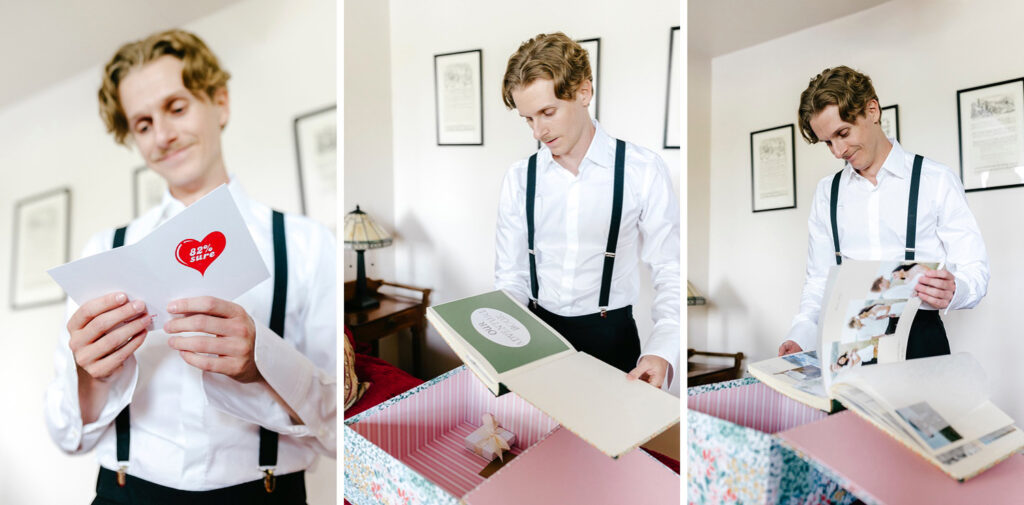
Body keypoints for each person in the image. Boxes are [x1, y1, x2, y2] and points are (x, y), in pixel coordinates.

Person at [44, 29, 335, 503]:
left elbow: (336, 430)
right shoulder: (103, 251)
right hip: (123, 492)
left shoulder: (306, 244)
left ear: (220, 103)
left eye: (176, 108)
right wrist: (90, 374)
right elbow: (66, 437)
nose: (163, 135)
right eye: (142, 124)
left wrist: (261, 361)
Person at [495, 32, 680, 389]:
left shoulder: (643, 169)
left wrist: (663, 350)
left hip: (612, 341)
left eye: (547, 112)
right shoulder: (519, 178)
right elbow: (511, 277)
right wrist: (502, 342)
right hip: (537, 337)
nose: (539, 131)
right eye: (528, 119)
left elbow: (669, 269)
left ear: (583, 92)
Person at [778, 66, 989, 359]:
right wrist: (800, 335)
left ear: (872, 110)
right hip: (848, 342)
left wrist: (956, 290)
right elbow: (818, 280)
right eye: (828, 142)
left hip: (921, 340)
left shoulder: (936, 180)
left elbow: (974, 270)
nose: (838, 152)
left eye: (842, 133)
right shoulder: (827, 192)